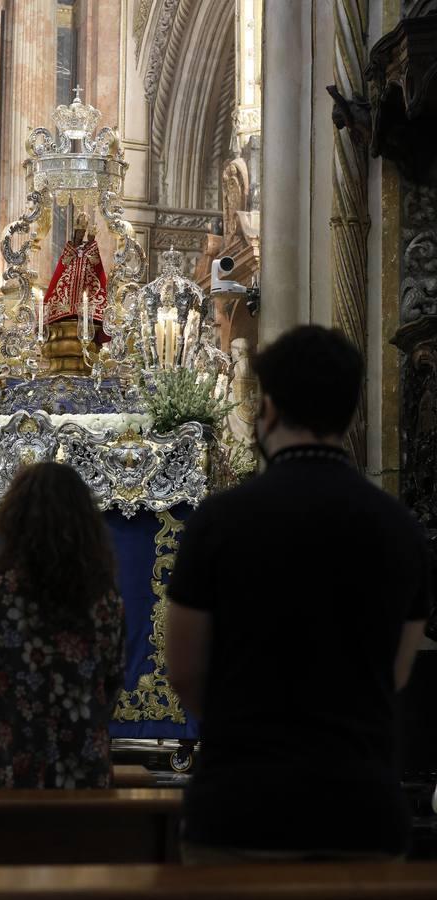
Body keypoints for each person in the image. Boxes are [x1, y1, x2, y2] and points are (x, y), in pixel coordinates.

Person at [166, 325, 430, 862]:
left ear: (267, 409)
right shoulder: (400, 527)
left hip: (240, 806)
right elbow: (398, 671)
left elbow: (185, 671)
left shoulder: (218, 521)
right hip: (360, 810)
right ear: (352, 413)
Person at [0, 462, 125, 789]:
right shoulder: (102, 590)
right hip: (82, 757)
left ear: (15, 515)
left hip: (5, 755)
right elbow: (113, 673)